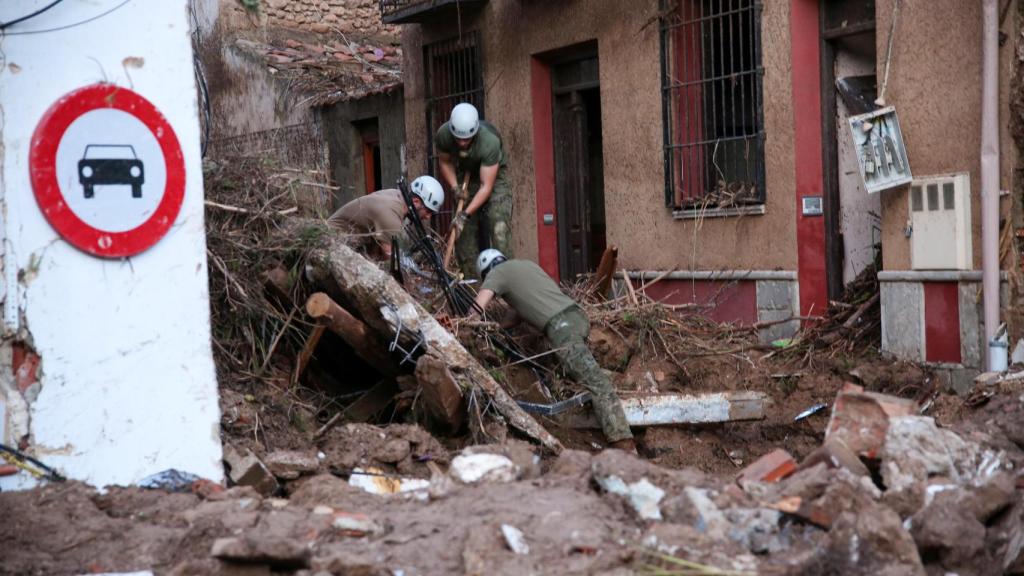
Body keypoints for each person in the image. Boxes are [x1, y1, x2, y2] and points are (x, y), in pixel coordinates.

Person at [472, 249, 636, 452]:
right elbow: (515, 316)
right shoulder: (525, 265)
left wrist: (467, 323)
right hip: (576, 317)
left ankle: (624, 443)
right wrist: (497, 328)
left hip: (561, 326)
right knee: (575, 371)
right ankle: (622, 380)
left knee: (595, 381)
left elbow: (477, 307)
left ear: (486, 272)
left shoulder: (496, 274)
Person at [435, 103, 513, 277]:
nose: (462, 143)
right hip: (465, 175)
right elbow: (445, 162)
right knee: (462, 232)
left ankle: (508, 282)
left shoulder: (489, 141)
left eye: (467, 139)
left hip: (492, 176)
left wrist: (466, 214)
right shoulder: (444, 135)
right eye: (458, 138)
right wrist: (455, 187)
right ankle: (472, 287)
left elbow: (487, 187)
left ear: (475, 131)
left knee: (498, 224)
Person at [327, 175, 444, 258]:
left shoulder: (398, 197)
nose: (428, 217)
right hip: (329, 245)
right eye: (428, 211)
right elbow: (393, 262)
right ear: (416, 201)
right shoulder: (391, 212)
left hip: (346, 245)